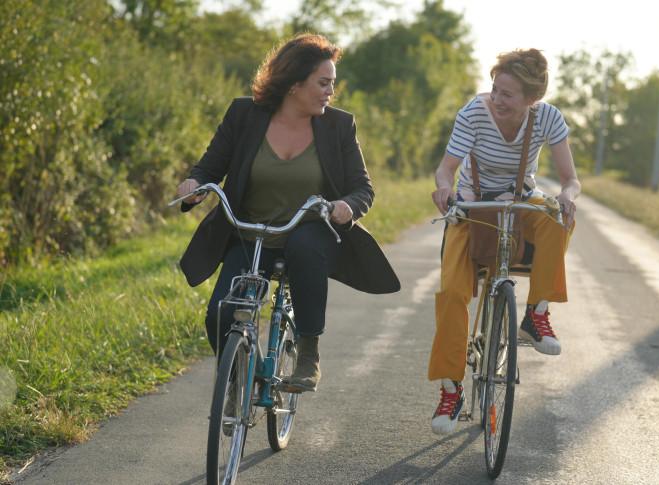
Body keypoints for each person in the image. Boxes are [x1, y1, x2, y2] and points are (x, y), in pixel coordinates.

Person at [176, 34, 400, 393]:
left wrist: (346, 206)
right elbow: (208, 168)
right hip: (249, 234)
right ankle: (237, 378)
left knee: (305, 246)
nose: (331, 91)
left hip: (308, 232)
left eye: (333, 83)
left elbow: (363, 188)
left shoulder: (338, 126)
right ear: (294, 84)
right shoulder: (244, 115)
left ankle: (309, 352)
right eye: (323, 83)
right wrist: (193, 185)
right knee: (219, 312)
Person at [428, 48, 580, 434]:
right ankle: (451, 389)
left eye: (507, 94)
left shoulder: (548, 119)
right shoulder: (474, 113)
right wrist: (445, 190)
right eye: (494, 89)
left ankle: (536, 314)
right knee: (453, 294)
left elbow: (570, 180)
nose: (496, 99)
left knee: (557, 218)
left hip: (519, 202)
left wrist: (568, 196)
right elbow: (446, 170)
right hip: (472, 205)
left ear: (532, 100)